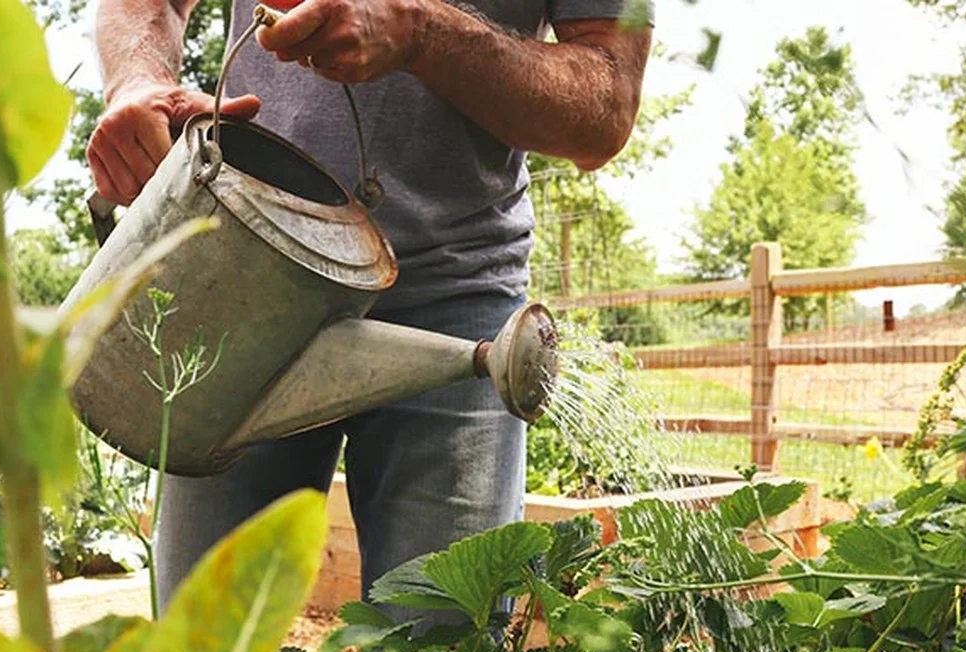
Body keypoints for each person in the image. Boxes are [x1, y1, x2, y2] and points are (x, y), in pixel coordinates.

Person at [87, 0, 652, 614]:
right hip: (243, 267)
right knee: (202, 646)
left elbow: (607, 106)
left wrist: (420, 31)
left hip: (455, 297)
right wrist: (137, 79)